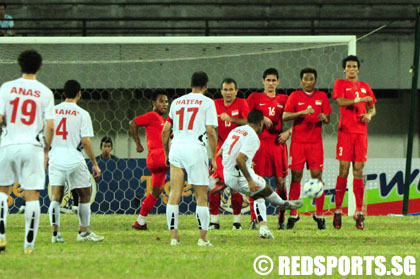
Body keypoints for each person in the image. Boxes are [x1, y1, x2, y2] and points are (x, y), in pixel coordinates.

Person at [0, 50, 55, 253]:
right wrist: (47, 148)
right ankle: (28, 245)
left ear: (19, 65)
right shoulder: (44, 92)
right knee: (32, 195)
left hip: (8, 144)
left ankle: (0, 235)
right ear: (39, 67)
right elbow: (50, 126)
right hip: (32, 147)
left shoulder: (6, 88)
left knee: (2, 190)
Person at [220, 109, 303, 239]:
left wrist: (245, 164)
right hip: (240, 177)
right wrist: (249, 181)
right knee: (265, 188)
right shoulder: (253, 136)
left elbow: (221, 153)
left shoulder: (236, 130)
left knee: (258, 196)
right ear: (260, 123)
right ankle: (283, 204)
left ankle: (264, 228)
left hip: (228, 175)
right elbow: (240, 159)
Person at [162, 71, 217, 246]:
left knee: (174, 194)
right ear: (206, 86)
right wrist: (214, 158)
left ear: (190, 83)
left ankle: (173, 238)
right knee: (201, 196)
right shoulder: (208, 102)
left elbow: (165, 131)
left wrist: (166, 153)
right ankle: (202, 238)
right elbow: (210, 131)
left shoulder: (177, 102)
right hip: (195, 149)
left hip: (177, 148)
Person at [47, 80, 103, 243]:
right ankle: (83, 233)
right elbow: (85, 142)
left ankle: (55, 234)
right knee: (85, 195)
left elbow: (48, 133)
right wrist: (94, 162)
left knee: (56, 197)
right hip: (74, 159)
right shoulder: (82, 113)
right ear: (79, 93)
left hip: (55, 158)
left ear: (64, 94)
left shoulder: (53, 111)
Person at [283, 67, 332, 230]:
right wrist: (303, 112)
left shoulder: (322, 96)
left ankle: (319, 215)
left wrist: (324, 118)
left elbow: (328, 119)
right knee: (296, 177)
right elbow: (285, 115)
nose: (309, 82)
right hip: (298, 143)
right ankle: (293, 214)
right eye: (306, 79)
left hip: (315, 144)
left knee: (317, 178)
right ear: (301, 81)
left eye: (312, 79)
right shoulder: (295, 96)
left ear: (315, 80)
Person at [333, 55, 376, 230]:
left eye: (354, 66)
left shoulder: (365, 87)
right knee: (343, 170)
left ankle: (358, 212)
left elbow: (373, 107)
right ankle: (337, 211)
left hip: (361, 133)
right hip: (345, 133)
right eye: (349, 66)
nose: (351, 69)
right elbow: (340, 101)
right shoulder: (340, 84)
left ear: (358, 69)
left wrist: (369, 115)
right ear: (344, 69)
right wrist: (359, 100)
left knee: (358, 170)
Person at [247, 68, 291, 230]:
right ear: (263, 81)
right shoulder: (255, 98)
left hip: (277, 144)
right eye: (268, 80)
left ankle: (281, 218)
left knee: (280, 182)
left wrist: (289, 131)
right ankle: (254, 218)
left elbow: (300, 119)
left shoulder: (285, 99)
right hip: (259, 145)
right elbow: (247, 117)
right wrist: (261, 116)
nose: (271, 83)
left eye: (274, 80)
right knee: (256, 180)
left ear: (278, 82)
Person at [209, 78, 248, 230]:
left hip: (237, 151)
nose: (228, 92)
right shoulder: (215, 104)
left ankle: (237, 222)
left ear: (236, 91)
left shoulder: (242, 103)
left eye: (231, 89)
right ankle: (214, 221)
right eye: (225, 89)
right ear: (221, 91)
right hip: (220, 152)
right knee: (215, 187)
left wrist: (231, 119)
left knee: (235, 187)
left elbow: (247, 122)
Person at [130, 89, 169, 230]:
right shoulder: (152, 116)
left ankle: (140, 222)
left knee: (156, 192)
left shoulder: (163, 121)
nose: (164, 104)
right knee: (187, 163)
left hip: (156, 161)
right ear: (154, 103)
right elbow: (133, 123)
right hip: (159, 156)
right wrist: (138, 143)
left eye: (166, 101)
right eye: (161, 101)